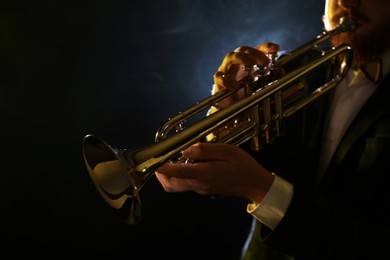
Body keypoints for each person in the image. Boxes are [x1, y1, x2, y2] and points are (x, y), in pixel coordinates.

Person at [155, 0, 390, 258]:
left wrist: (263, 190)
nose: (346, 3)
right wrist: (227, 113)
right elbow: (248, 163)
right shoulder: (300, 68)